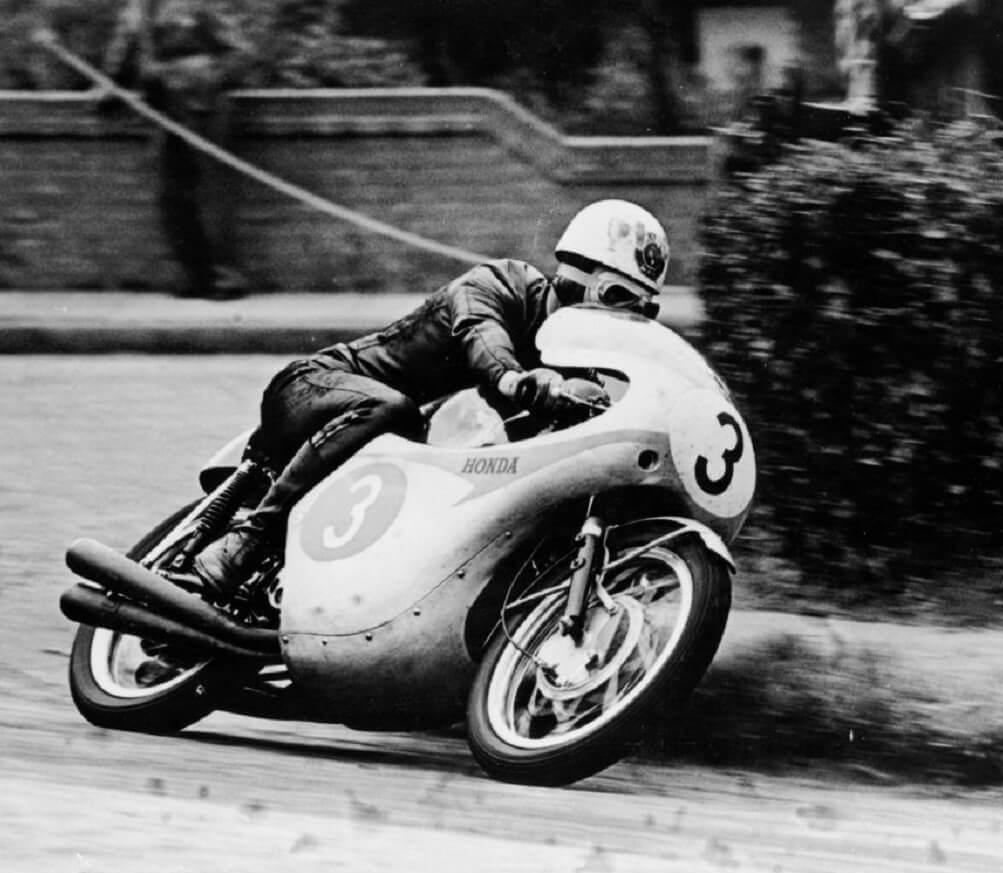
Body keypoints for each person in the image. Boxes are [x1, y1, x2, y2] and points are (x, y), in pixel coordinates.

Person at [189, 199, 671, 601]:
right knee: (391, 408)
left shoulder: (571, 372)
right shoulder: (501, 285)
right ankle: (254, 536)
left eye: (642, 310)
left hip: (395, 462)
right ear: (574, 273)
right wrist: (517, 381)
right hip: (318, 387)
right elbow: (480, 339)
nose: (624, 318)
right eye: (614, 296)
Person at [100, 0, 253, 300]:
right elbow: (121, 61)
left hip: (205, 108)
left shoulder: (200, 5)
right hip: (164, 111)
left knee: (213, 192)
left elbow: (242, 53)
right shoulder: (135, 11)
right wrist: (109, 91)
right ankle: (193, 275)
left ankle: (225, 277)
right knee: (171, 195)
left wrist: (201, 82)